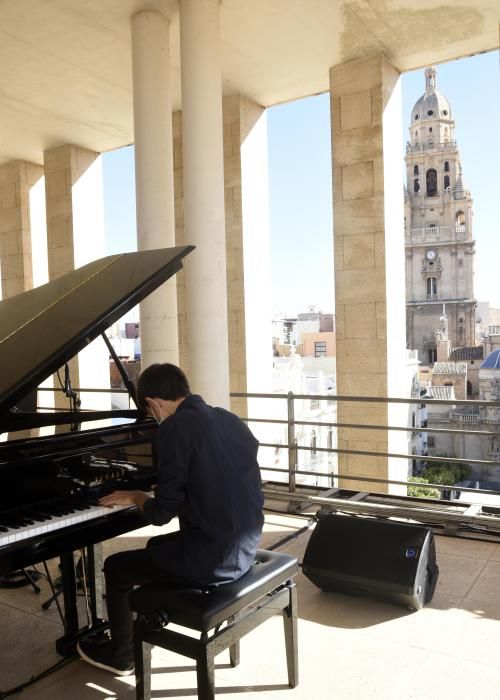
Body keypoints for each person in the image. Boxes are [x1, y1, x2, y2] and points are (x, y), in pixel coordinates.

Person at [77, 363, 264, 676]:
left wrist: (138, 497)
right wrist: (171, 489)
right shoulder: (229, 419)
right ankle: (147, 621)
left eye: (149, 412)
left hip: (215, 559)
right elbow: (219, 477)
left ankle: (122, 655)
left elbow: (161, 514)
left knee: (117, 567)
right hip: (245, 545)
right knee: (156, 547)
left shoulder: (174, 429)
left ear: (152, 403)